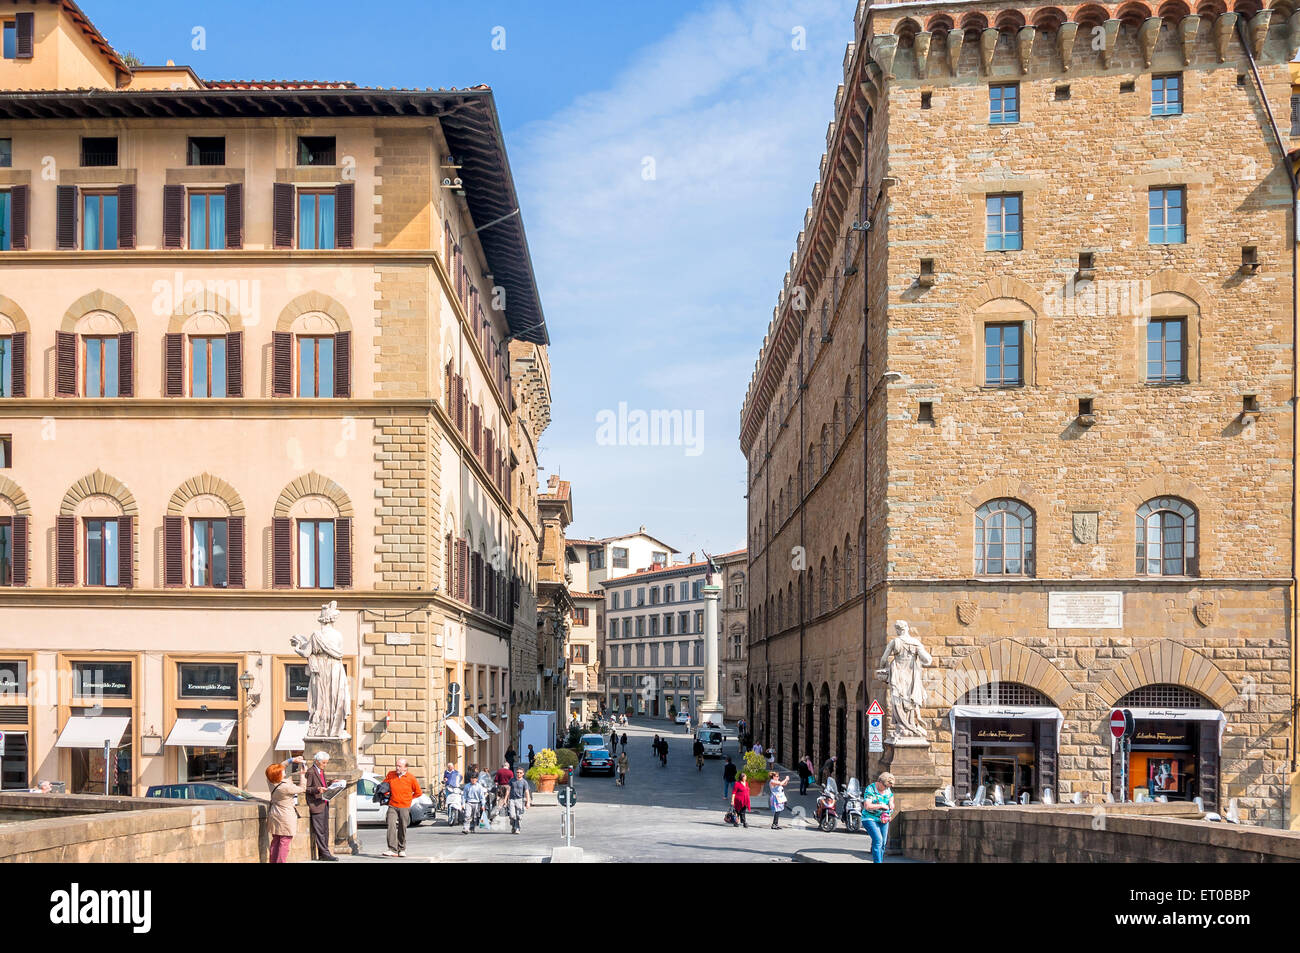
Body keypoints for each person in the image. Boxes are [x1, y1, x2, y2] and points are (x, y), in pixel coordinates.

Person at [265, 756, 306, 863]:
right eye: (282, 772)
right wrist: (302, 775)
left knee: (276, 841)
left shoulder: (271, 781)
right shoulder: (286, 787)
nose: (284, 771)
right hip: (285, 816)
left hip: (274, 814)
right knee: (284, 842)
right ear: (278, 774)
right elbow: (302, 788)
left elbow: (280, 766)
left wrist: (292, 760)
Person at [380, 757, 423, 858]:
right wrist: (383, 793)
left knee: (402, 827)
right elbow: (384, 786)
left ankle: (401, 849)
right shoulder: (391, 774)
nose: (397, 767)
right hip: (392, 805)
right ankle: (392, 849)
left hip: (404, 806)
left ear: (405, 768)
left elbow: (418, 792)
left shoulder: (411, 778)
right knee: (391, 825)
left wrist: (409, 799)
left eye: (399, 766)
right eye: (396, 765)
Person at [304, 751, 337, 861]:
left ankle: (323, 853)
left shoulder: (321, 770)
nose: (325, 765)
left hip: (324, 803)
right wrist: (317, 789)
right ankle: (325, 853)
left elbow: (323, 784)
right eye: (323, 763)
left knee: (325, 830)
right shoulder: (311, 772)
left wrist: (332, 783)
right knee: (320, 831)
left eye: (326, 763)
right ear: (317, 761)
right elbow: (306, 788)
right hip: (316, 804)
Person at [862, 771, 896, 864]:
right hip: (869, 818)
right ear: (880, 782)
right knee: (878, 840)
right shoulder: (870, 789)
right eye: (885, 786)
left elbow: (891, 796)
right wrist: (880, 805)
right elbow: (867, 806)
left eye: (888, 787)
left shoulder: (887, 789)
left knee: (883, 843)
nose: (886, 789)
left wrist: (891, 803)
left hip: (883, 818)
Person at [507, 767, 532, 833]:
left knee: (519, 815)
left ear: (523, 774)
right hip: (512, 800)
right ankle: (513, 826)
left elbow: (527, 792)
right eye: (517, 772)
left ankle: (517, 828)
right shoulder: (512, 780)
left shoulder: (524, 782)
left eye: (520, 773)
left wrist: (528, 802)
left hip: (520, 800)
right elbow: (508, 790)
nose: (518, 774)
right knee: (512, 815)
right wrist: (505, 799)